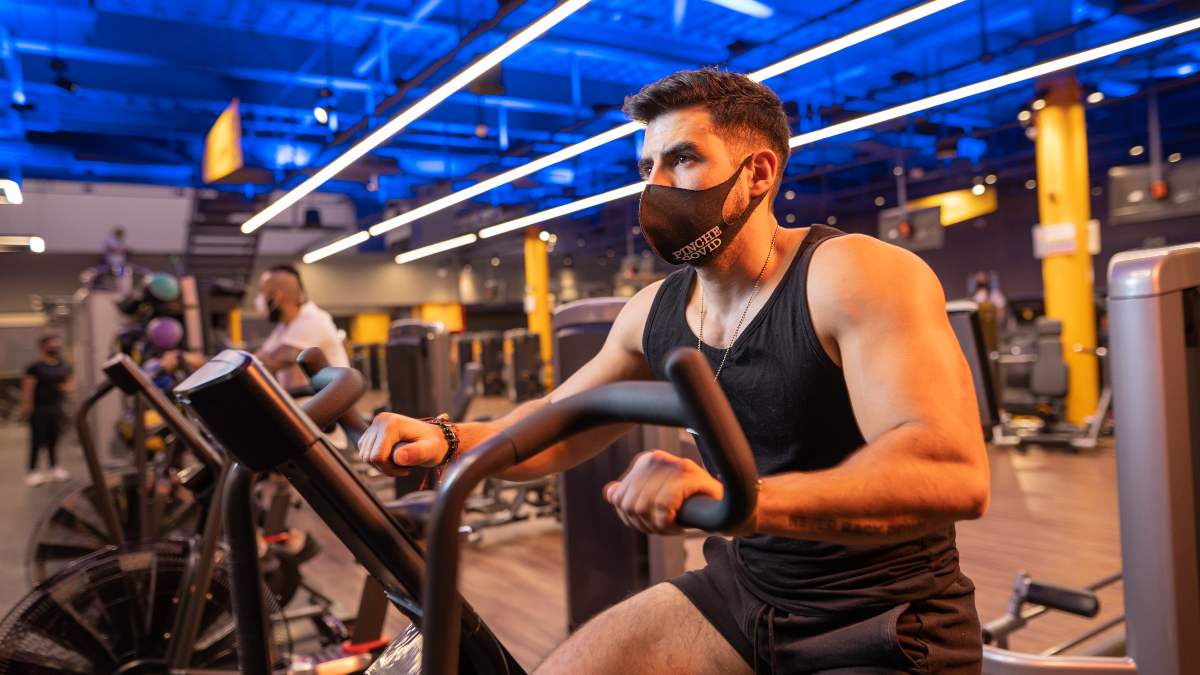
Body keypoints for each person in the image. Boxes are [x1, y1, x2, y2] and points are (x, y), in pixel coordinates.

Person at [360, 68, 990, 674]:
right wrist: (444, 440)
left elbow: (948, 471)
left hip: (880, 616)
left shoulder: (850, 274)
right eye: (647, 167)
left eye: (682, 159)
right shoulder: (654, 313)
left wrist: (739, 500)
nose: (654, 187)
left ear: (759, 173)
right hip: (744, 592)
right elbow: (559, 425)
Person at [252, 265, 349, 390]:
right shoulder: (284, 327)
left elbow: (264, 364)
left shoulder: (313, 321)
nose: (259, 299)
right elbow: (259, 358)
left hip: (328, 404)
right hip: (302, 403)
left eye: (262, 292)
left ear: (276, 297)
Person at [21, 333, 74, 486]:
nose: (54, 346)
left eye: (56, 344)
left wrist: (64, 388)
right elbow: (28, 388)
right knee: (37, 440)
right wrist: (27, 407)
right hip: (38, 409)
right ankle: (33, 471)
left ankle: (53, 468)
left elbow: (70, 385)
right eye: (51, 344)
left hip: (56, 408)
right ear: (42, 346)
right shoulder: (34, 368)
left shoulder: (63, 366)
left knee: (54, 439)